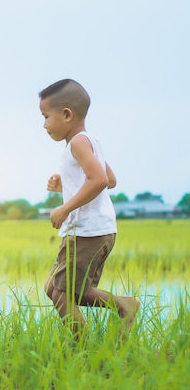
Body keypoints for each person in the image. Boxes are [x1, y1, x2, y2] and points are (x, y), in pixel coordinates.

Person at [39, 78, 139, 336]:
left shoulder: (78, 143)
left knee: (61, 293)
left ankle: (83, 350)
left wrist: (63, 209)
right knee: (54, 288)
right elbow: (109, 180)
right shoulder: (90, 141)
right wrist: (66, 185)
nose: (44, 125)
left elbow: (101, 180)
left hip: (87, 232)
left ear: (67, 114)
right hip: (93, 231)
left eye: (46, 116)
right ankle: (123, 304)